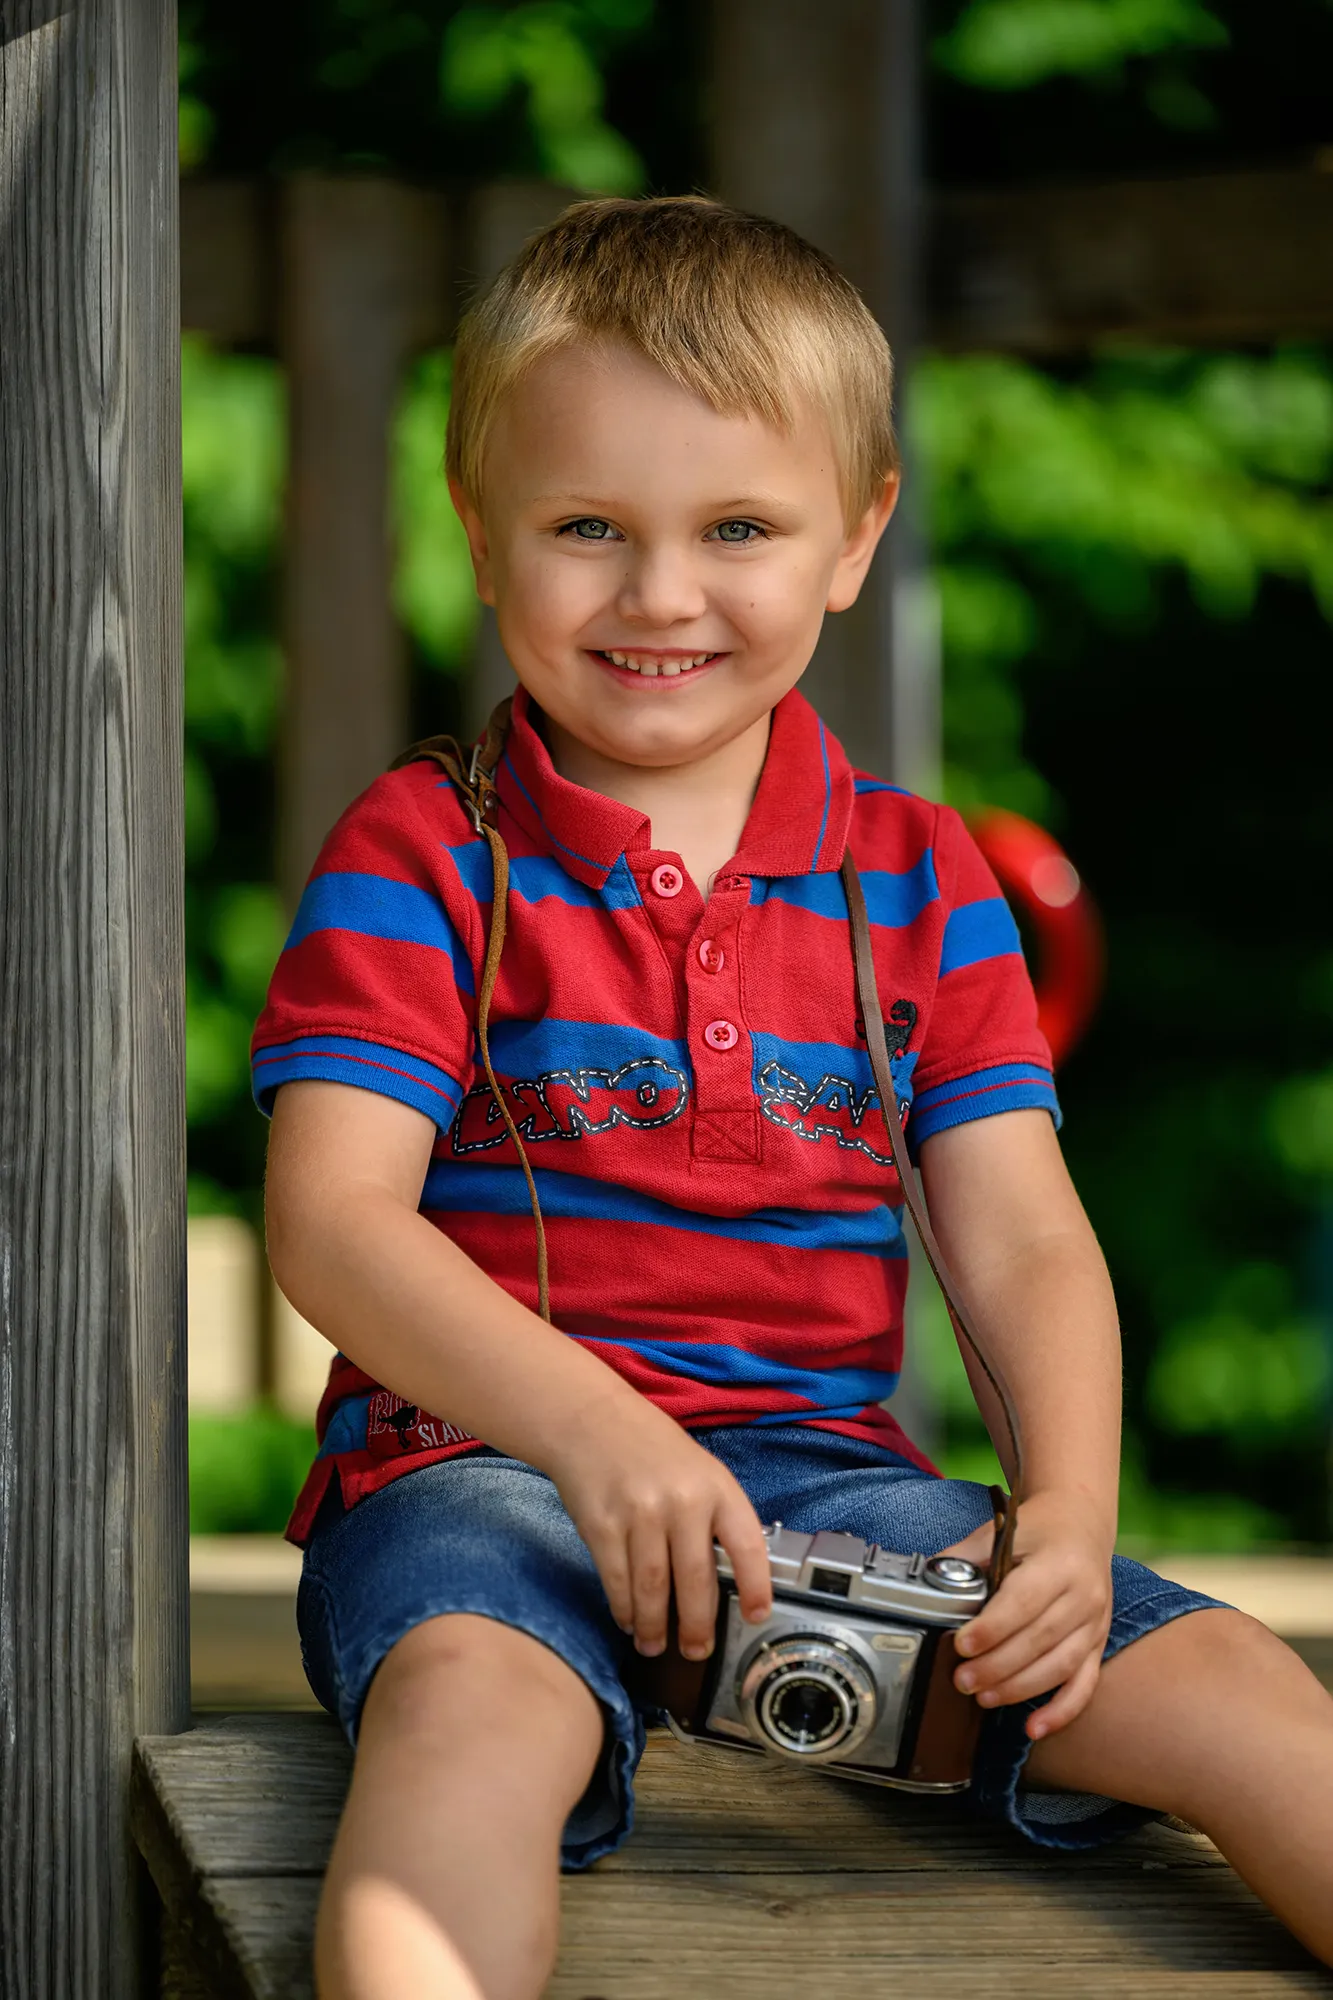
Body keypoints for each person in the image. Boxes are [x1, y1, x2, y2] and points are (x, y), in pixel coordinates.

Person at [254, 197, 1333, 2000]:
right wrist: (601, 1440)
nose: (661, 593)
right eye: (587, 526)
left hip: (833, 1495)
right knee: (466, 1724)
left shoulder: (920, 879)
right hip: (484, 1476)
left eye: (737, 527)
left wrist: (1065, 1514)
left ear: (858, 535)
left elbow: (1022, 1239)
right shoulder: (429, 852)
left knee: (1237, 1690)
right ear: (481, 535)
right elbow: (332, 1221)